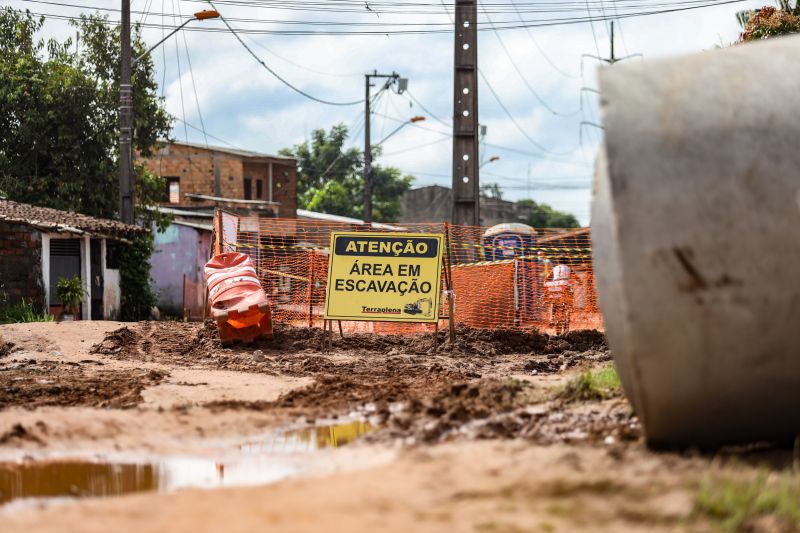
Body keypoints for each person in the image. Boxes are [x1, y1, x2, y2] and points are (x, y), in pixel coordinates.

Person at [545, 256, 573, 334]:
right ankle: (569, 308)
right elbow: (577, 278)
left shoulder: (555, 268)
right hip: (564, 286)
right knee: (568, 300)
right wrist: (579, 282)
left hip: (554, 286)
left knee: (554, 302)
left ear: (558, 262)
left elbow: (547, 278)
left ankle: (552, 318)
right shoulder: (569, 268)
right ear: (567, 262)